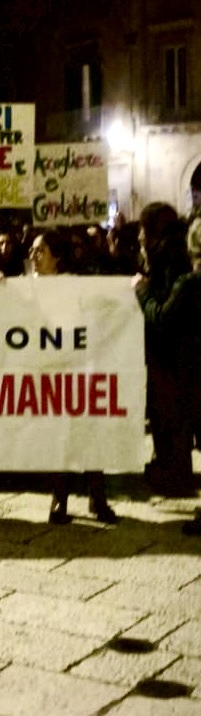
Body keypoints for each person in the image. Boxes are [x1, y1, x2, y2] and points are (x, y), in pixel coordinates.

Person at [28, 229, 119, 524]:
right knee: (59, 437)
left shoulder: (73, 285)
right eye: (32, 250)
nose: (34, 256)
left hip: (76, 368)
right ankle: (60, 499)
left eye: (40, 250)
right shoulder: (23, 286)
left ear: (56, 257)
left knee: (87, 432)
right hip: (47, 371)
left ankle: (98, 498)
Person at [135, 209, 198, 503]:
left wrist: (142, 291)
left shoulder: (170, 263)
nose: (139, 237)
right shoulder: (168, 257)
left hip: (171, 359)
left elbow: (162, 315)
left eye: (143, 230)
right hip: (173, 358)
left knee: (170, 417)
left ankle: (174, 474)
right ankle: (172, 470)